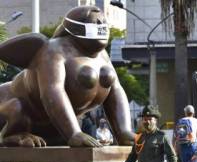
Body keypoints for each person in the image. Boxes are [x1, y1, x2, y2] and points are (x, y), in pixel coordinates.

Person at [0, 6, 134, 147]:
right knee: (17, 107)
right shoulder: (53, 50)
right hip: (18, 108)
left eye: (102, 22)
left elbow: (116, 89)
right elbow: (52, 91)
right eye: (96, 23)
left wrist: (123, 131)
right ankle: (13, 134)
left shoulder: (102, 55)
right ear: (75, 28)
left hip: (54, 125)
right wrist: (73, 133)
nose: (101, 24)